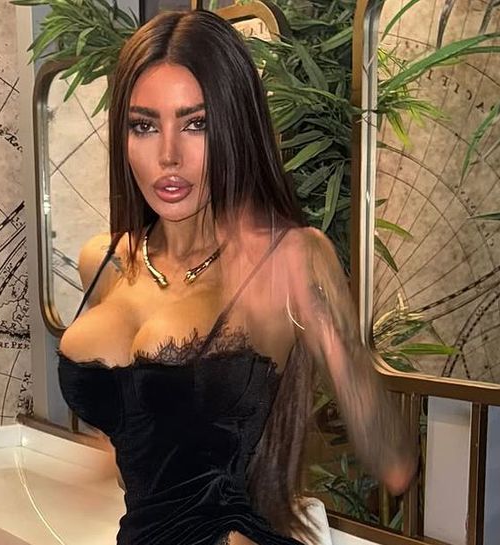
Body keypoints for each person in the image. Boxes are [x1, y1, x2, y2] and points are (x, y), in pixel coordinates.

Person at [57, 9, 417, 545]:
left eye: (196, 124)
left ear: (236, 129)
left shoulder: (289, 259)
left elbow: (394, 462)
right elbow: (146, 436)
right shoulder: (103, 260)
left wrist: (332, 328)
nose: (168, 155)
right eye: (144, 126)